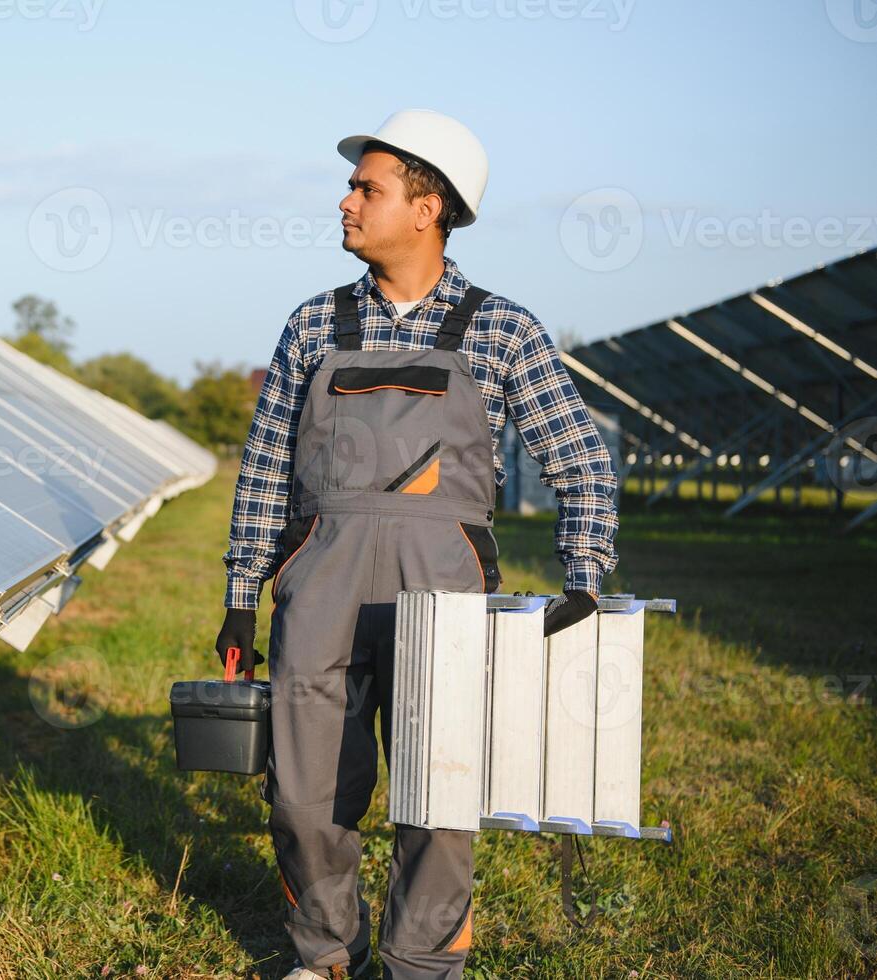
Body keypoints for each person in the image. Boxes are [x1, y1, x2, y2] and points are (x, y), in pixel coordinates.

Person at [215, 110, 619, 980]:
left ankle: (421, 966)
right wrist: (239, 595)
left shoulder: (501, 329)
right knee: (302, 794)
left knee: (439, 799)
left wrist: (583, 576)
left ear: (426, 207)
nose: (345, 201)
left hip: (444, 595)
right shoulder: (311, 326)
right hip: (317, 589)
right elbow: (260, 471)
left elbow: (581, 459)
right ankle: (325, 955)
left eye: (367, 187)